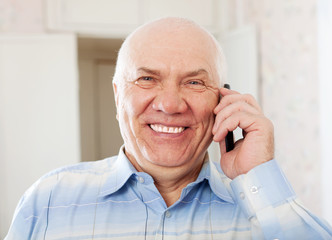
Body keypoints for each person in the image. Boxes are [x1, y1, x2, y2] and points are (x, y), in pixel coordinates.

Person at [5, 17, 332, 240]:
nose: (171, 104)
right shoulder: (48, 200)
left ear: (223, 98)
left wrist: (260, 174)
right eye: (147, 79)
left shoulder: (264, 209)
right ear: (119, 95)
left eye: (194, 82)